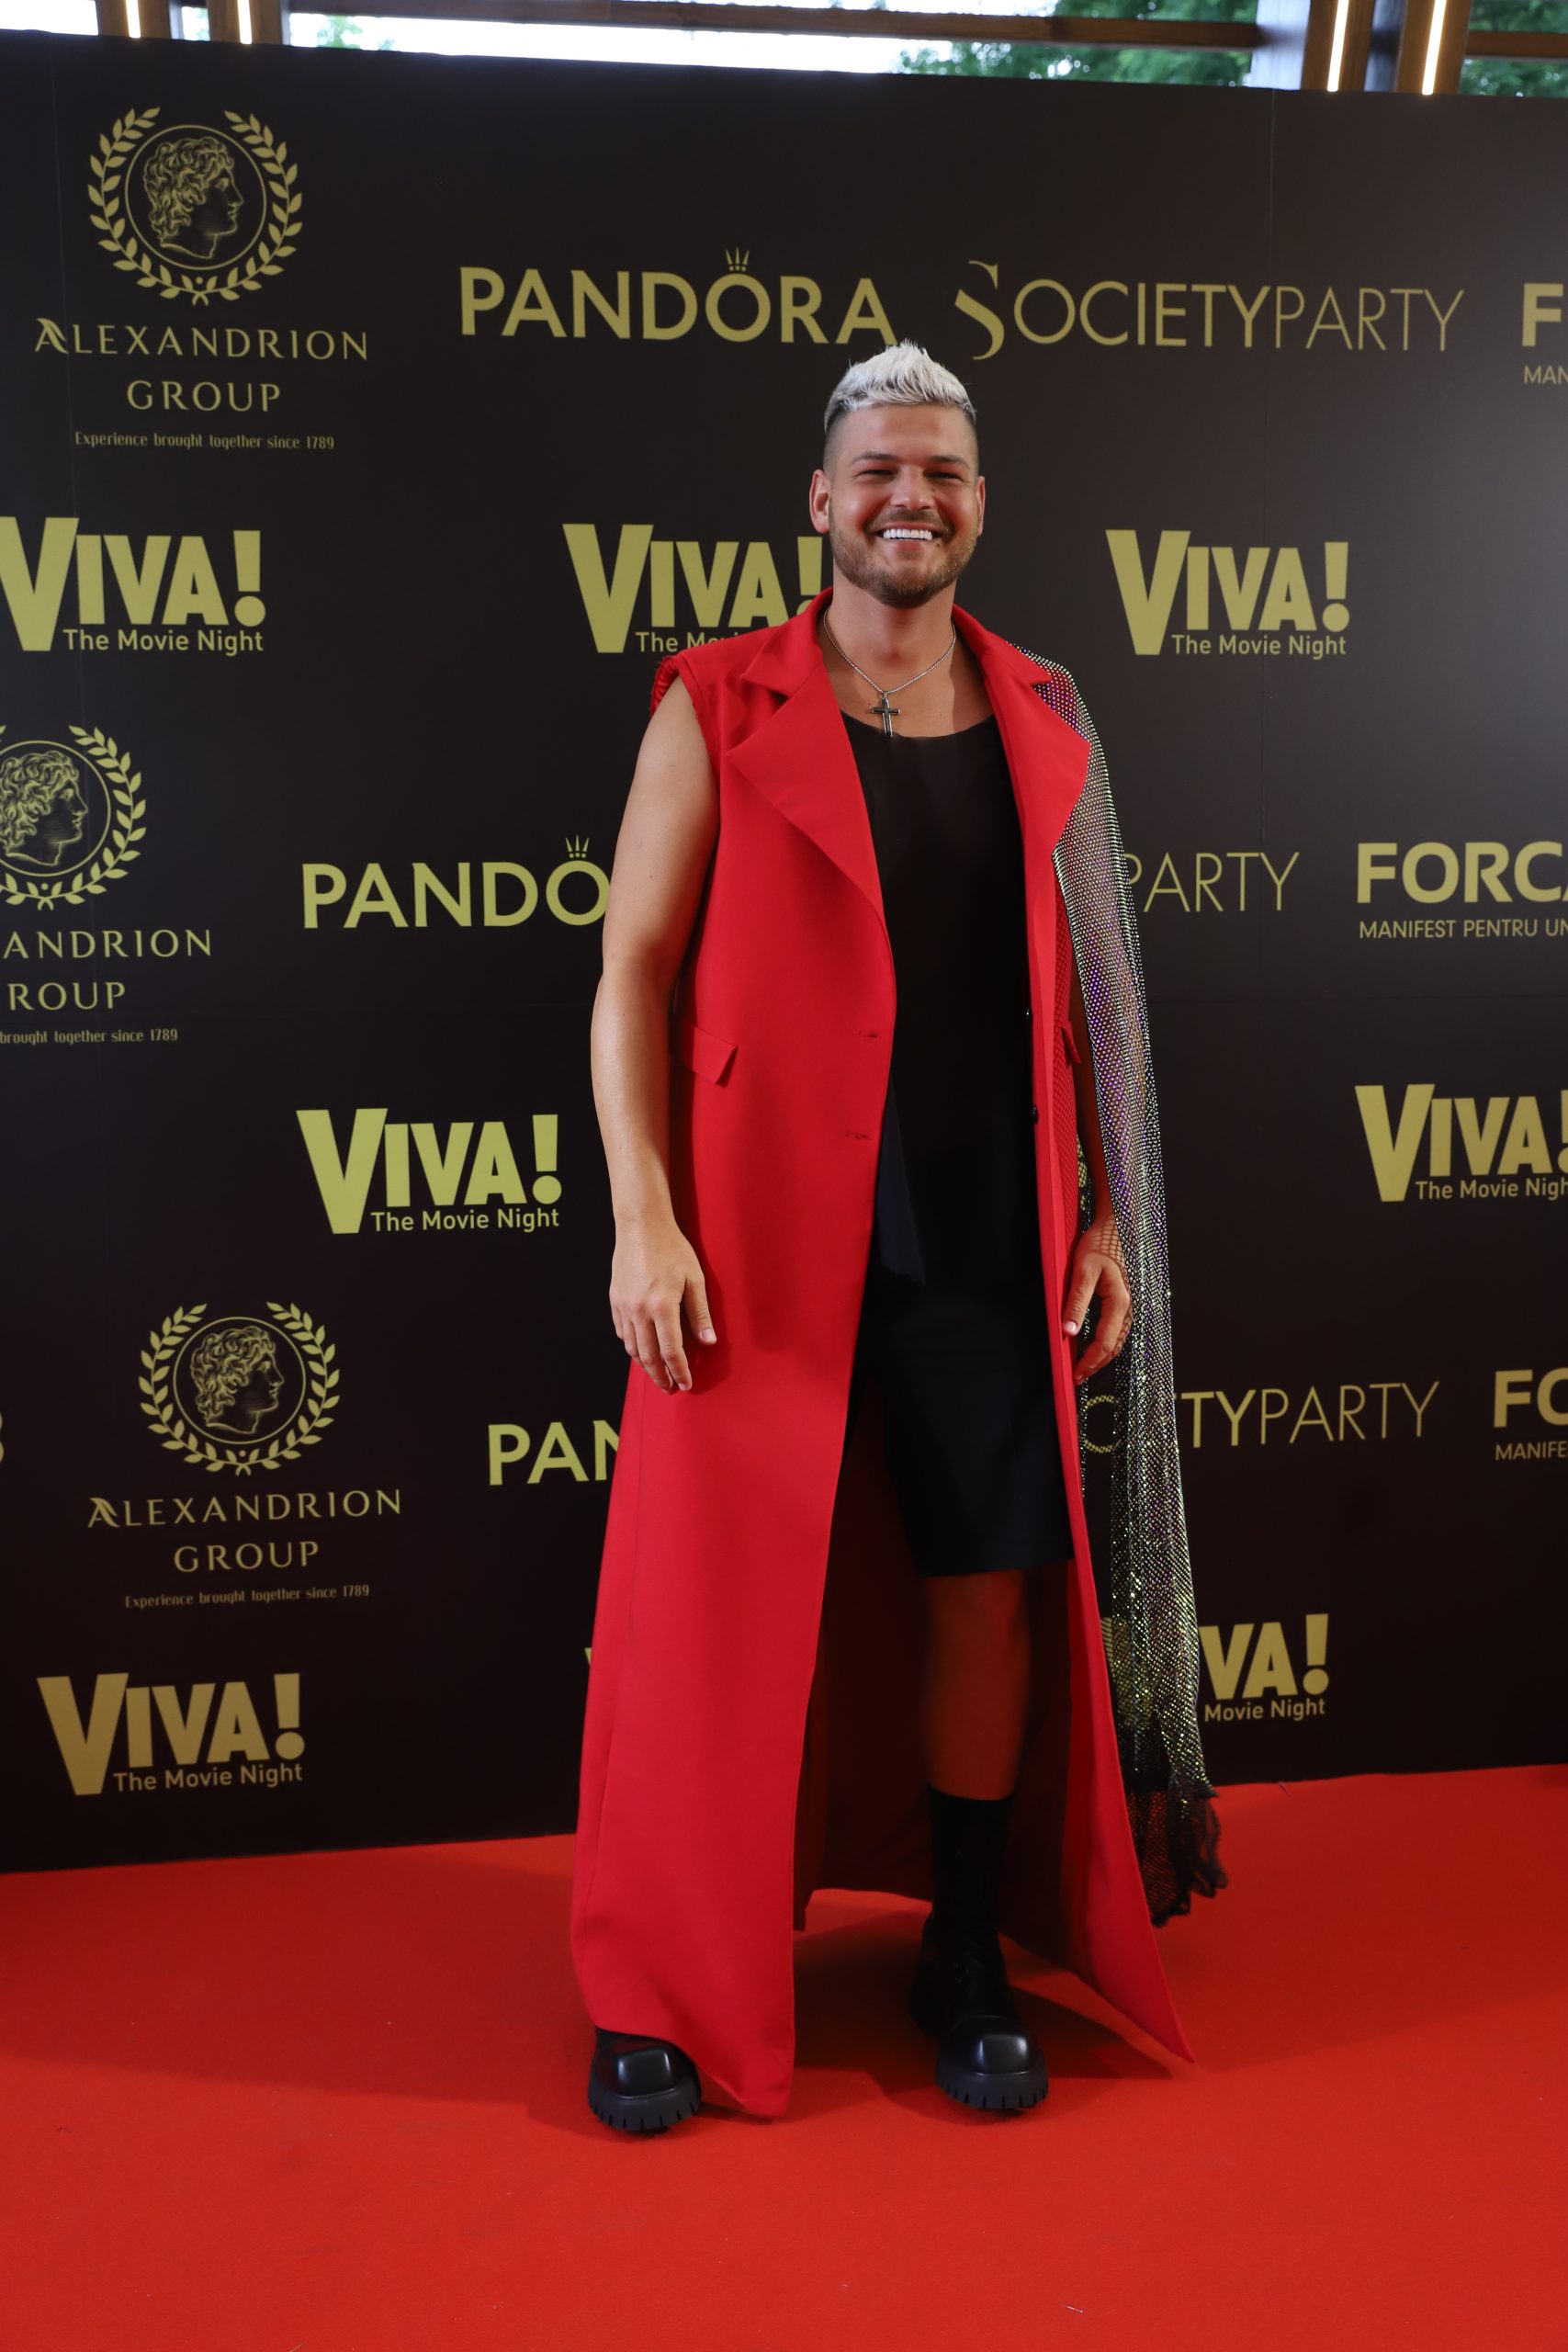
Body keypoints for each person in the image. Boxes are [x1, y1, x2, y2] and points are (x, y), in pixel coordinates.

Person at [572, 342, 1223, 2134]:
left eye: (936, 470)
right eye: (876, 471)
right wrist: (643, 1216)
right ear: (821, 500)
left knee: (983, 1592)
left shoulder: (1046, 712)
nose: (906, 498)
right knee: (705, 1614)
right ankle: (653, 1980)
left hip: (987, 1239)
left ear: (978, 503)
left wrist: (1108, 1211)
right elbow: (629, 972)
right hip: (752, 1243)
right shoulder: (715, 702)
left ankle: (963, 1948)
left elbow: (1101, 1007)